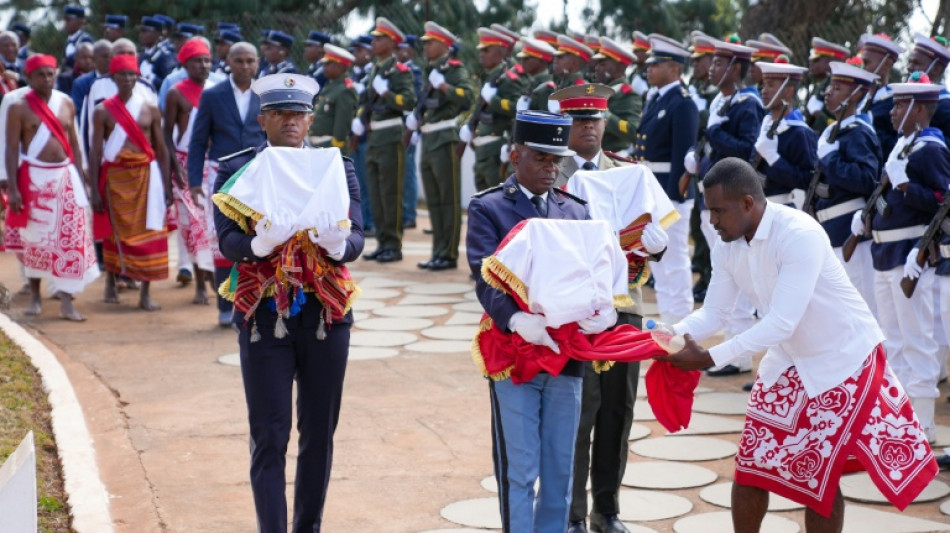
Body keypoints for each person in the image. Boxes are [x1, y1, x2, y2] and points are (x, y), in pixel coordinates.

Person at [659, 156, 938, 532]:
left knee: (820, 477)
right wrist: (669, 335)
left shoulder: (798, 233)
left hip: (843, 359)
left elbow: (781, 322)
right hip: (789, 357)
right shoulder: (727, 243)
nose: (712, 221)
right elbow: (715, 313)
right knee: (751, 466)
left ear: (747, 203)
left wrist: (710, 356)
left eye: (718, 211)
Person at [212, 72, 364, 533]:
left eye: (298, 113)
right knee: (269, 435)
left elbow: (356, 236)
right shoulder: (239, 169)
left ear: (311, 119)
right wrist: (258, 245)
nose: (290, 121)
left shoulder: (335, 166)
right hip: (264, 314)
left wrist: (338, 245)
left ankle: (308, 527)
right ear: (262, 120)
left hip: (325, 314)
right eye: (279, 113)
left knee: (319, 435)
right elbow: (227, 240)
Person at [551, 84, 668, 533]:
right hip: (574, 310)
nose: (588, 127)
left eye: (594, 119)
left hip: (625, 306)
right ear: (565, 125)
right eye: (579, 119)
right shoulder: (549, 171)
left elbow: (650, 234)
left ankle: (607, 509)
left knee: (618, 411)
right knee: (578, 413)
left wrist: (656, 245)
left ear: (605, 123)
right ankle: (573, 514)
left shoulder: (628, 173)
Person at [466, 110, 590, 533]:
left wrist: (600, 309)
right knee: (519, 470)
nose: (550, 168)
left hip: (565, 354)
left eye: (556, 160)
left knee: (560, 468)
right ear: (515, 156)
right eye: (540, 158)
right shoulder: (489, 207)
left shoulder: (575, 211)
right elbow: (485, 277)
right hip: (514, 352)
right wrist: (516, 318)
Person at [850, 76, 950, 443]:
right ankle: (897, 415)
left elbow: (943, 202)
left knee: (917, 340)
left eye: (899, 105)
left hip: (910, 255)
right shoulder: (903, 147)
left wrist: (907, 185)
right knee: (892, 339)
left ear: (919, 109)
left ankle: (922, 424)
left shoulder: (930, 149)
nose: (892, 112)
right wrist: (867, 217)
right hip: (883, 252)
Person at [685, 39, 764, 375]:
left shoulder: (747, 103)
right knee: (726, 274)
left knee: (740, 278)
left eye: (719, 64)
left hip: (732, 204)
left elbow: (747, 151)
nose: (712, 69)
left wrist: (716, 133)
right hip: (715, 200)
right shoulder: (721, 100)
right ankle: (733, 348)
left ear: (735, 68)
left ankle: (739, 352)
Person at [3, 54, 99, 320]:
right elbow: (11, 149)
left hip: (64, 177)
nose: (46, 79)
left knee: (70, 239)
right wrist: (13, 188)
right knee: (35, 239)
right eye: (40, 75)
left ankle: (67, 301)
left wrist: (81, 179)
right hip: (33, 179)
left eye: (50, 74)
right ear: (29, 77)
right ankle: (35, 295)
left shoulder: (65, 102)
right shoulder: (18, 107)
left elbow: (75, 145)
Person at [187, 41, 264, 326]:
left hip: (259, 175)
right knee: (223, 238)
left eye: (250, 61)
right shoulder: (212, 95)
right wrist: (194, 180)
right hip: (222, 176)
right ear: (228, 62)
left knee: (260, 235)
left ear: (257, 63)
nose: (245, 66)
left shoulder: (265, 95)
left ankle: (256, 302)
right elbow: (198, 141)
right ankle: (225, 305)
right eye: (239, 61)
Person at [89, 55, 171, 310]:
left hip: (146, 177)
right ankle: (111, 281)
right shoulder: (102, 111)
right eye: (122, 74)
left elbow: (161, 148)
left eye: (131, 74)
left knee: (150, 233)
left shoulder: (150, 108)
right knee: (116, 234)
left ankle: (145, 292)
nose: (127, 79)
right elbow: (95, 151)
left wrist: (167, 186)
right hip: (115, 178)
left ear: (138, 77)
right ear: (113, 78)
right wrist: (94, 190)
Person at [633, 37, 698, 326]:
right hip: (651, 191)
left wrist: (674, 197)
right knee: (657, 261)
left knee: (674, 260)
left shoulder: (682, 103)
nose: (649, 69)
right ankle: (667, 323)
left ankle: (681, 326)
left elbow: (682, 155)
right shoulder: (657, 99)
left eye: (656, 64)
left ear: (674, 69)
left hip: (670, 193)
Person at [811, 59, 882, 317]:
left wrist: (831, 159)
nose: (828, 92)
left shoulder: (859, 133)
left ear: (856, 95)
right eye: (830, 86)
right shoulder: (834, 132)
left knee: (862, 311)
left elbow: (866, 180)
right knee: (837, 314)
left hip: (850, 232)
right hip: (831, 231)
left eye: (837, 88)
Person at [407, 21, 473, 271]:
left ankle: (448, 253)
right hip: (428, 138)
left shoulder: (454, 69)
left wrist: (444, 85)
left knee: (448, 200)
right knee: (434, 201)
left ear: (444, 45)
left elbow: (467, 96)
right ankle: (437, 251)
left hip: (445, 138)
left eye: (430, 43)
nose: (425, 47)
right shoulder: (431, 70)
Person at [352, 17, 416, 263]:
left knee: (390, 194)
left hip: (390, 136)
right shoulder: (375, 70)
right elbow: (366, 102)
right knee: (376, 193)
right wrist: (361, 118)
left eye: (379, 39)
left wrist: (387, 92)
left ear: (391, 42)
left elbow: (408, 101)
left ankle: (393, 244)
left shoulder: (399, 71)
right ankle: (382, 241)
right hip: (374, 136)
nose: (374, 43)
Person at [164, 39, 215, 305]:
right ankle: (200, 283)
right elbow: (166, 136)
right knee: (194, 227)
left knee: (212, 225)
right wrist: (174, 169)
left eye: (207, 60)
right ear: (185, 64)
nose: (203, 65)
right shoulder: (176, 93)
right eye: (197, 61)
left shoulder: (216, 91)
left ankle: (213, 276)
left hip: (213, 164)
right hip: (185, 167)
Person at [462, 27, 524, 192]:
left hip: (495, 149)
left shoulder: (508, 79)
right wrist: (471, 127)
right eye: (481, 50)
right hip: (482, 149)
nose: (481, 54)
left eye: (486, 50)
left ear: (500, 53)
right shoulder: (490, 77)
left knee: (496, 199)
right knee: (484, 199)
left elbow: (518, 109)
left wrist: (493, 100)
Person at [752, 58, 818, 206]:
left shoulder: (799, 132)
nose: (763, 90)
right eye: (764, 84)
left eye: (770, 85)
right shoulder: (765, 126)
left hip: (785, 207)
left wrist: (774, 159)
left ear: (789, 91)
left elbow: (808, 180)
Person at [594, 37, 641, 156]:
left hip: (614, 157)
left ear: (619, 67)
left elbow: (633, 131)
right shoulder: (598, 91)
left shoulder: (628, 94)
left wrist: (605, 115)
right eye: (598, 63)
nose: (597, 68)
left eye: (602, 64)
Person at [859, 33, 903, 161]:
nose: (863, 68)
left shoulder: (894, 103)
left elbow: (896, 148)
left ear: (887, 64)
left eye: (867, 62)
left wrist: (871, 128)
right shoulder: (858, 98)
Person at [309, 43, 358, 153]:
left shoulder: (345, 90)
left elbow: (342, 126)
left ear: (340, 66)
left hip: (329, 147)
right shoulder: (331, 86)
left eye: (328, 64)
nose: (324, 67)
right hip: (318, 145)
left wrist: (336, 148)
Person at [396, 34, 422, 230]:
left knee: (408, 171)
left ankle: (409, 214)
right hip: (398, 124)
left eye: (403, 48)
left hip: (408, 125)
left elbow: (418, 99)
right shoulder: (396, 70)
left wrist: (415, 128)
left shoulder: (414, 71)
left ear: (411, 50)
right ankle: (403, 212)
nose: (399, 52)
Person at [805, 37, 849, 134]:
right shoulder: (821, 86)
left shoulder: (843, 87)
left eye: (816, 60)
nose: (811, 64)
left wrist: (817, 113)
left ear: (831, 62)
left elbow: (839, 125)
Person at [71, 39, 112, 114]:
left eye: (111, 56)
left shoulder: (120, 81)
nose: (109, 60)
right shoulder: (82, 83)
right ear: (94, 59)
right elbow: (78, 112)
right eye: (105, 56)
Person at [516, 37, 557, 112]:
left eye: (527, 58)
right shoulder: (533, 81)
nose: (522, 62)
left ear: (541, 61)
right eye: (522, 58)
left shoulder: (547, 87)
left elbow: (545, 117)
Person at [138, 15, 178, 91]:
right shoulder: (141, 54)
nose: (141, 35)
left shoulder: (165, 56)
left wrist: (150, 76)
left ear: (157, 34)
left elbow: (169, 85)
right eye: (141, 31)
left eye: (145, 31)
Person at [62, 5, 94, 70]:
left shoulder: (85, 40)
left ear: (80, 21)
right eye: (65, 20)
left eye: (68, 20)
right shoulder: (69, 40)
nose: (65, 23)